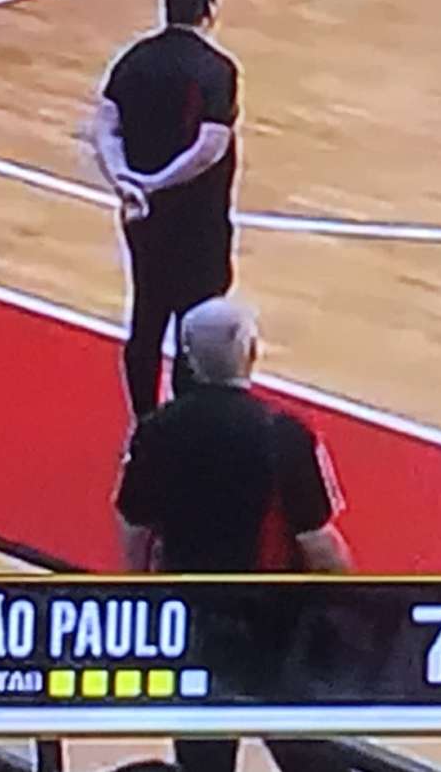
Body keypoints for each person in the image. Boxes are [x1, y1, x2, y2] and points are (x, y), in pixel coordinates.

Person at [114, 296, 352, 772]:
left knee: (204, 763)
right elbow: (320, 544)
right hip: (273, 632)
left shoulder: (156, 431)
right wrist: (352, 613)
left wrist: (146, 602)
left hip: (196, 628)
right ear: (251, 351)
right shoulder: (285, 433)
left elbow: (134, 531)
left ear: (188, 358)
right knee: (312, 761)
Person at [86, 0, 242, 418]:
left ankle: (144, 426)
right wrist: (157, 182)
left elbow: (104, 127)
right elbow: (210, 147)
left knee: (147, 321)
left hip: (144, 218)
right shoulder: (217, 71)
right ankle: (187, 424)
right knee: (196, 327)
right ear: (209, 8)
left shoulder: (132, 60)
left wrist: (125, 180)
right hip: (200, 221)